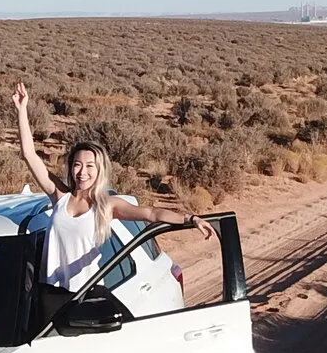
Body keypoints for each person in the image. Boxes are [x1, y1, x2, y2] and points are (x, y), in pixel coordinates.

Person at [12, 83, 202, 295]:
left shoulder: (107, 205)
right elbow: (29, 154)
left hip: (83, 296)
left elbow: (152, 213)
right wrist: (22, 110)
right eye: (77, 164)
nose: (82, 172)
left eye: (90, 166)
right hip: (50, 295)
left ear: (99, 169)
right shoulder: (60, 196)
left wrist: (190, 219)